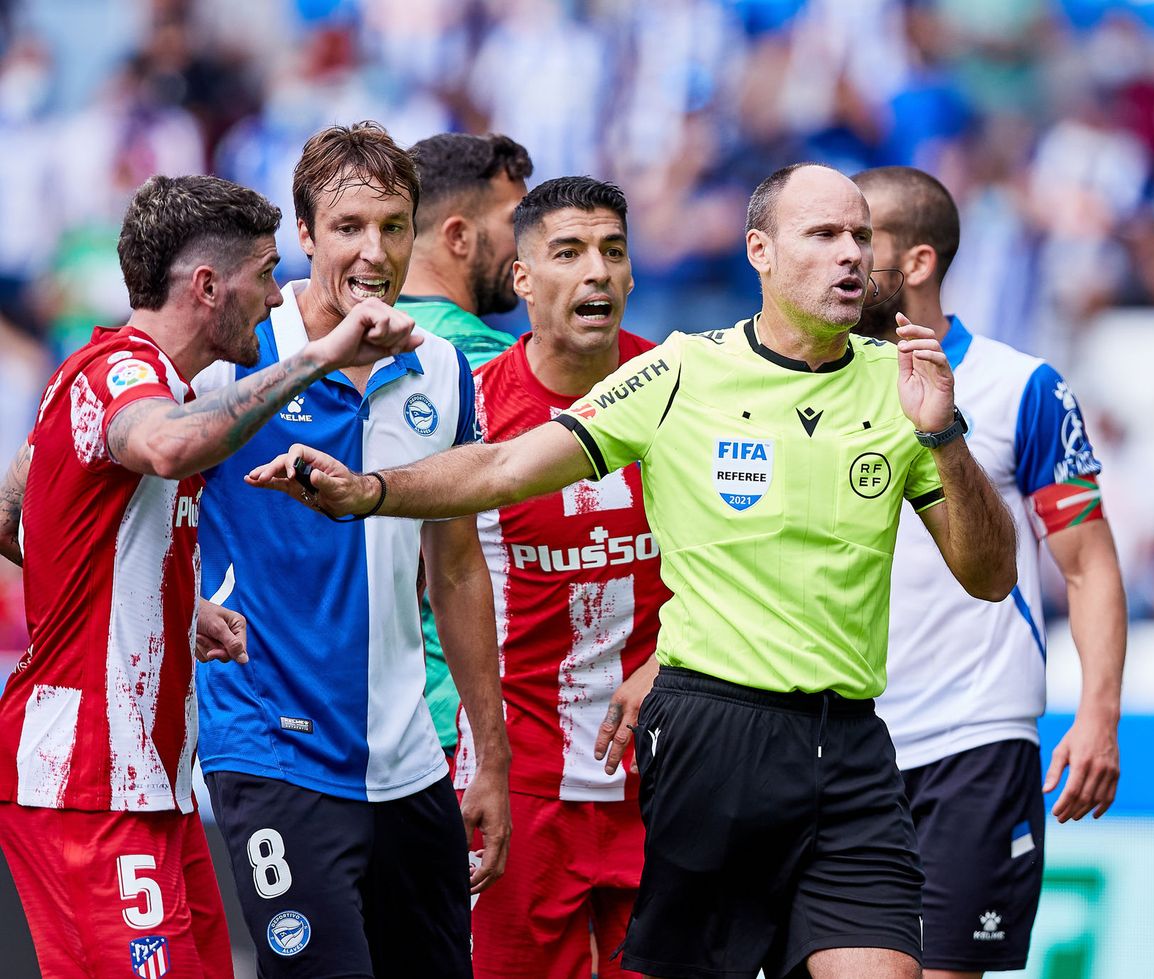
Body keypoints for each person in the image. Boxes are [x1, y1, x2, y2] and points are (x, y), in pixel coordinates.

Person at [247, 161, 1019, 979]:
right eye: (825, 235)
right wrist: (370, 492)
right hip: (708, 738)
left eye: (860, 236)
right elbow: (505, 467)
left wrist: (944, 434)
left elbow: (990, 575)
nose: (852, 255)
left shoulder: (902, 389)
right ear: (759, 250)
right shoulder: (681, 369)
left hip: (852, 743)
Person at [0, 172, 420, 979]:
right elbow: (166, 446)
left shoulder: (102, 375)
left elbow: (17, 518)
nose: (273, 300)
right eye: (264, 274)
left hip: (150, 783)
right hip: (90, 783)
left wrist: (158, 601)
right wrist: (324, 353)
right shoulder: (121, 376)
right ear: (206, 285)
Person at [191, 122, 510, 979]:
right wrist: (175, 607)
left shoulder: (441, 367)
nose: (375, 250)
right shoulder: (232, 354)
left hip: (409, 761)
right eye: (348, 227)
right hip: (269, 749)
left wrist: (488, 752)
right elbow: (59, 491)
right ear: (303, 236)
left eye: (394, 226)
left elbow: (456, 566)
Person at [853, 165, 1128, 979]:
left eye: (860, 239)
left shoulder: (1022, 388)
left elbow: (1088, 564)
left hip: (971, 736)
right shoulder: (817, 387)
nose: (840, 257)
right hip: (840, 743)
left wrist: (1099, 714)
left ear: (918, 262)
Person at [453, 175, 666, 979]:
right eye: (569, 252)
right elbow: (434, 586)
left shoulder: (683, 392)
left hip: (666, 784)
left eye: (613, 252)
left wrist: (664, 657)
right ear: (522, 276)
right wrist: (481, 763)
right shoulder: (474, 410)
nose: (597, 273)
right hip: (525, 784)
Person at [399, 131, 532, 772]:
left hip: (361, 720)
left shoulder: (333, 346)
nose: (527, 242)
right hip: (462, 719)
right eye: (516, 220)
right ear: (457, 235)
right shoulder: (486, 368)